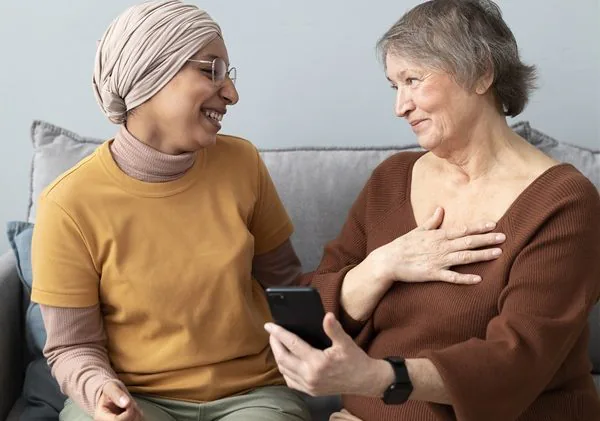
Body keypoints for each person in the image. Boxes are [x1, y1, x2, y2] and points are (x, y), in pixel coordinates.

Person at [265, 1, 600, 420]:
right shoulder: (392, 179)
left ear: (481, 73)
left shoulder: (564, 202)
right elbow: (315, 310)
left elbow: (516, 361)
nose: (399, 106)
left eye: (413, 80)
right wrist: (381, 265)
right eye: (394, 86)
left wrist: (374, 378)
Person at [31, 1, 312, 420]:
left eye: (228, 75)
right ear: (151, 76)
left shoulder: (242, 164)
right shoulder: (69, 204)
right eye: (211, 70)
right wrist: (103, 393)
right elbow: (73, 347)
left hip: (254, 394)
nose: (232, 94)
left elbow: (289, 290)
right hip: (135, 397)